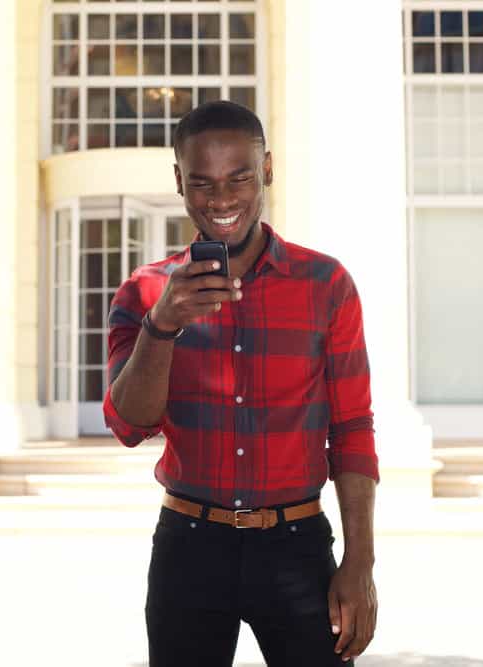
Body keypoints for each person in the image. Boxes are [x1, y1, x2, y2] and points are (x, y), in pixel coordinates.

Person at [103, 101, 379, 666]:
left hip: (297, 547)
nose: (222, 200)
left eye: (240, 178)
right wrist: (164, 325)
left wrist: (361, 564)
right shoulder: (144, 291)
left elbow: (352, 429)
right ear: (180, 181)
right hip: (188, 546)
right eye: (202, 183)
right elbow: (129, 424)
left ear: (267, 170)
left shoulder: (326, 284)